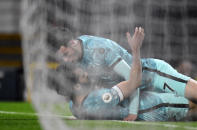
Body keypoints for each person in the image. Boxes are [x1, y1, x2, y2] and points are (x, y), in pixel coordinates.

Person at [55, 28, 197, 121]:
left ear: (73, 43)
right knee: (188, 107)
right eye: (63, 57)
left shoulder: (98, 49)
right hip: (134, 93)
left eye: (66, 54)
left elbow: (132, 78)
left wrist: (133, 112)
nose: (66, 60)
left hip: (152, 75)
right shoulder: (75, 62)